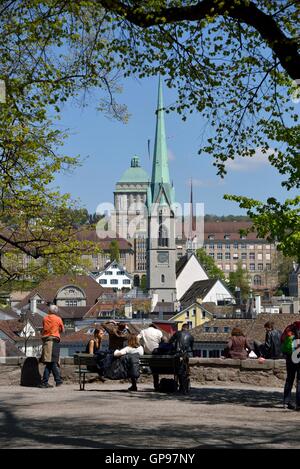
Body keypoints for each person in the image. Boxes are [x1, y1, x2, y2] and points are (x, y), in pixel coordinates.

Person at [39, 304, 64, 388]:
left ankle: (45, 382)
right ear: (56, 311)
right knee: (53, 362)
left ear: (49, 311)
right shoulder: (58, 319)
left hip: (46, 341)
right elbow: (62, 330)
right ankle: (58, 380)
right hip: (54, 341)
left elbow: (44, 328)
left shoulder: (45, 318)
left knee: (50, 363)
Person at [281, 320, 300, 410]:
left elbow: (282, 339)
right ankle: (299, 403)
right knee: (299, 380)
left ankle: (286, 402)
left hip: (291, 356)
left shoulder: (289, 328)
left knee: (289, 379)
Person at [138, 324, 163, 391]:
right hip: (156, 354)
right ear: (154, 327)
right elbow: (162, 340)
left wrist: (140, 346)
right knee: (155, 368)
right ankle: (156, 385)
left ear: (148, 327)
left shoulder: (143, 331)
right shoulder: (158, 331)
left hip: (146, 354)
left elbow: (136, 338)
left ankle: (134, 385)